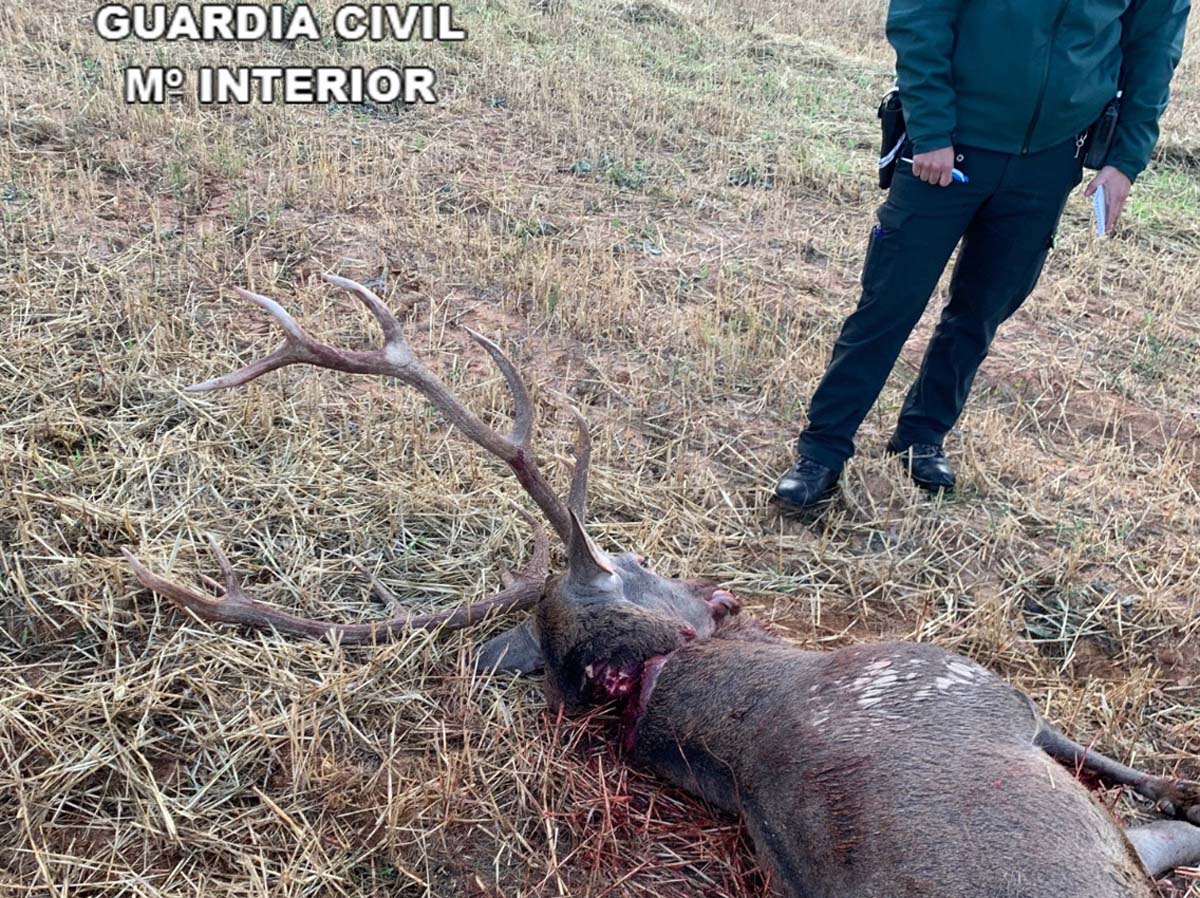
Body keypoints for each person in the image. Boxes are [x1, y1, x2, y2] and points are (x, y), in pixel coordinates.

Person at [774, 0, 1191, 510]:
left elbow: (1153, 50)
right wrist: (930, 129)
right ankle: (823, 449)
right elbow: (921, 14)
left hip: (1051, 160)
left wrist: (1126, 159)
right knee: (889, 303)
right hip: (948, 146)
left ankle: (921, 435)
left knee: (982, 310)